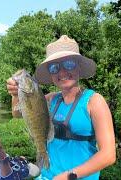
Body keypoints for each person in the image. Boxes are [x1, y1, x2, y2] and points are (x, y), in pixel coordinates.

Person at [6, 35, 116, 180]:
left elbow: (108, 155)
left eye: (69, 64)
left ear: (79, 67)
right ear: (51, 74)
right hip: (47, 176)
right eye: (54, 67)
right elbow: (18, 114)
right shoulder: (51, 99)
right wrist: (15, 94)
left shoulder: (94, 101)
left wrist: (69, 176)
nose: (62, 72)